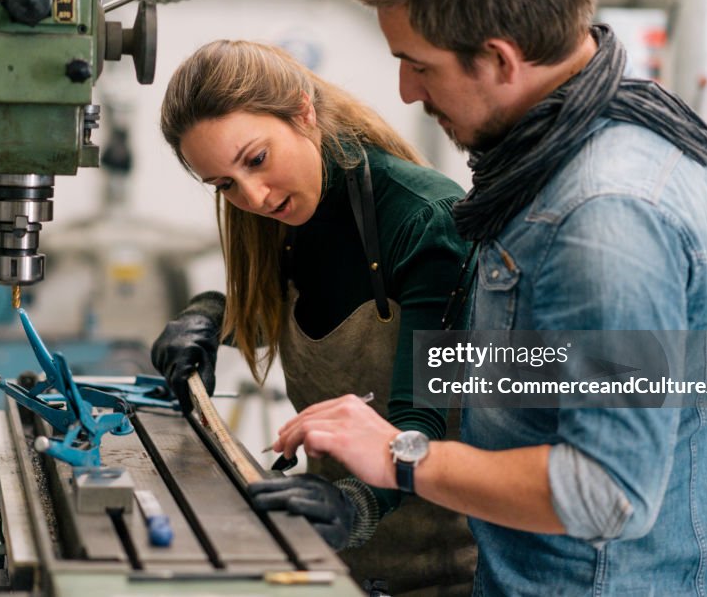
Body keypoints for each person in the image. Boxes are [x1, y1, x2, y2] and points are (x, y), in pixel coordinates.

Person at [268, 0, 707, 595]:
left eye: (419, 64)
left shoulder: (604, 215)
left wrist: (399, 453)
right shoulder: (598, 139)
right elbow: (566, 371)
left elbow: (606, 490)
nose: (408, 90)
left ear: (500, 58)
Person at [151, 39, 477, 595]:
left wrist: (353, 507)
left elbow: (421, 422)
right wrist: (208, 317)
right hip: (330, 561)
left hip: (436, 568)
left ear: (303, 112)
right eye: (225, 184)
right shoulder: (284, 216)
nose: (252, 195)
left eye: (256, 159)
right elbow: (287, 309)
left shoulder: (424, 221)